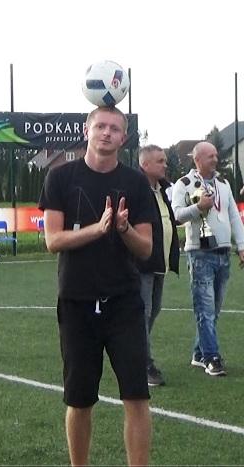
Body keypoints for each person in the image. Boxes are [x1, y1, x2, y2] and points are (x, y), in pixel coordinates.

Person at [39, 106, 155, 466]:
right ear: (86, 131)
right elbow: (53, 241)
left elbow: (146, 248)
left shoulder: (136, 183)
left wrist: (123, 229)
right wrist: (98, 228)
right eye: (100, 126)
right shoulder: (60, 177)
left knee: (136, 397)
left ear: (124, 138)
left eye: (114, 129)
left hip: (124, 303)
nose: (106, 133)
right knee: (79, 399)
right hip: (77, 302)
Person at [171, 141, 244, 376]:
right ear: (197, 159)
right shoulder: (184, 184)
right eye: (210, 156)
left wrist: (241, 245)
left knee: (215, 309)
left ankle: (198, 354)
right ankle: (211, 357)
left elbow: (233, 215)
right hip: (200, 253)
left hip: (223, 252)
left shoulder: (223, 183)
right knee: (205, 309)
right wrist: (198, 207)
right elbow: (176, 215)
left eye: (215, 155)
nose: (215, 159)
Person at [136, 145, 180, 387]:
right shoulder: (136, 189)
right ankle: (143, 364)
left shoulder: (162, 190)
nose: (166, 164)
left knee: (153, 310)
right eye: (160, 161)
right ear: (145, 165)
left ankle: (135, 353)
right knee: (142, 314)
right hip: (142, 264)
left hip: (159, 263)